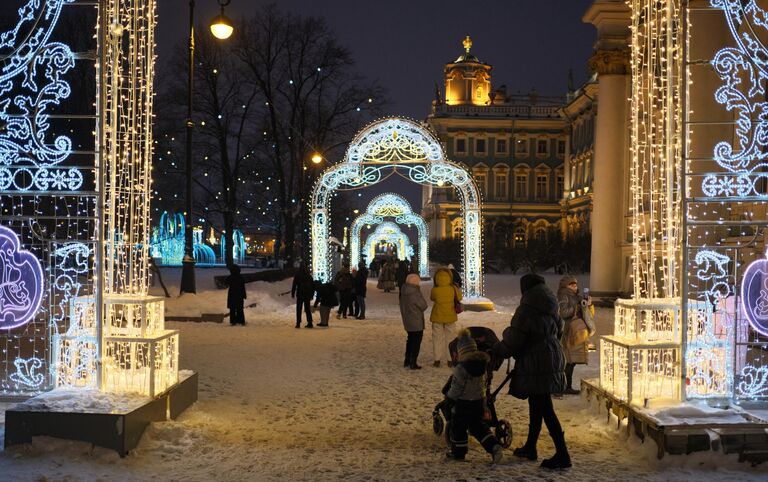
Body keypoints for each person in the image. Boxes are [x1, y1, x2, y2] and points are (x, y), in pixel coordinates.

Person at [493, 273, 571, 469]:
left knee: (545, 408)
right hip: (551, 356)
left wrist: (498, 349)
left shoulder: (527, 309)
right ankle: (531, 447)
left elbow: (515, 338)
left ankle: (563, 454)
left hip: (537, 361)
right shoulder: (551, 304)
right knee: (537, 405)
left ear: (525, 289)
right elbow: (559, 330)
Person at [444, 329, 504, 463]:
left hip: (463, 404)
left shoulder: (461, 369)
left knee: (458, 428)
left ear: (461, 352)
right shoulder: (483, 366)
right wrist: (484, 403)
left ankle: (458, 454)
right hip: (478, 403)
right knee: (479, 428)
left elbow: (457, 387)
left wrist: (449, 399)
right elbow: (483, 386)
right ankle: (494, 447)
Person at [557, 276, 595, 395]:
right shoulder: (563, 295)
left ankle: (567, 386)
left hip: (576, 332)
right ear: (565, 286)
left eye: (575, 284)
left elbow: (589, 315)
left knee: (571, 361)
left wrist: (588, 305)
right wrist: (577, 306)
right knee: (567, 360)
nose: (574, 286)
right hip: (567, 332)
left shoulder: (577, 297)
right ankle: (562, 387)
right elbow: (563, 313)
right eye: (571, 284)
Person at [429, 267, 461, 368]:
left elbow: (432, 298)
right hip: (450, 316)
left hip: (437, 315)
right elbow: (459, 298)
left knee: (437, 338)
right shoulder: (453, 288)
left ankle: (437, 359)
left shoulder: (435, 289)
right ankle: (450, 360)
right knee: (450, 338)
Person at [399, 273, 427, 369]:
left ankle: (407, 360)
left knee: (410, 339)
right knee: (416, 341)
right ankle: (413, 362)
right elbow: (423, 305)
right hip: (416, 320)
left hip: (407, 319)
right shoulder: (414, 292)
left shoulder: (404, 290)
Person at [291, 264, 315, 328]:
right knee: (307, 309)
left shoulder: (298, 275)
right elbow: (312, 286)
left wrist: (293, 293)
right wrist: (312, 294)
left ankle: (298, 323)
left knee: (299, 308)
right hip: (307, 294)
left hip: (300, 294)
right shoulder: (308, 275)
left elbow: (294, 284)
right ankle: (310, 322)